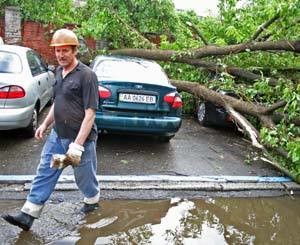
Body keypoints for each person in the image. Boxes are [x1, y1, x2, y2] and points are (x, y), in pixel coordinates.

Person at [2, 29, 100, 231]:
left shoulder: (87, 76)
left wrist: (78, 146)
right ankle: (28, 214)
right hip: (58, 137)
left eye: (65, 50)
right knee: (46, 171)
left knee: (85, 179)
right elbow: (58, 103)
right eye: (57, 50)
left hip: (81, 142)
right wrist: (45, 125)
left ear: (74, 51)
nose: (61, 55)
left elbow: (90, 113)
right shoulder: (58, 73)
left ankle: (92, 202)